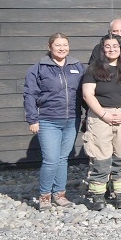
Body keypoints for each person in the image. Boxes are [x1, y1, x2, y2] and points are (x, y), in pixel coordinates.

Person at [23, 33, 86, 211]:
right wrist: (32, 119)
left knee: (62, 159)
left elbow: (85, 93)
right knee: (51, 159)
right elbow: (30, 95)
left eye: (65, 45)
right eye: (58, 45)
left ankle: (59, 194)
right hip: (48, 120)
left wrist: (88, 115)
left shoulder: (77, 66)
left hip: (72, 119)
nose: (62, 48)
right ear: (50, 47)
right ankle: (44, 196)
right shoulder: (39, 68)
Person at [81, 34, 121, 210]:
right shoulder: (93, 69)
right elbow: (88, 94)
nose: (111, 49)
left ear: (120, 47)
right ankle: (98, 196)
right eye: (107, 46)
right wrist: (103, 114)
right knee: (100, 158)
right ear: (102, 49)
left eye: (115, 46)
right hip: (101, 117)